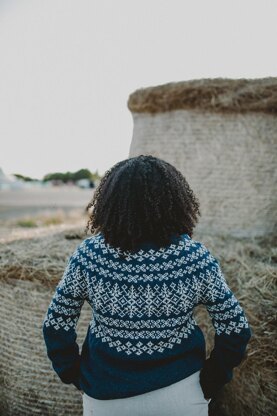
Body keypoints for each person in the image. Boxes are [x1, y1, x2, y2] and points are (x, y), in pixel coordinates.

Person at [42, 155, 252, 416]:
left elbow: (56, 324)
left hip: (104, 396)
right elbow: (236, 328)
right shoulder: (195, 258)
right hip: (182, 395)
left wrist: (74, 374)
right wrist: (210, 381)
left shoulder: (89, 256)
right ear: (176, 201)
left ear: (110, 201)